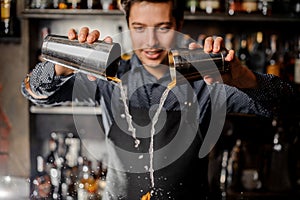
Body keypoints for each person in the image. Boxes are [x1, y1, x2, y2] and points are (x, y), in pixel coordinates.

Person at [21, 0, 293, 199]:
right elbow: (35, 92)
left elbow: (290, 105)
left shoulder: (208, 81)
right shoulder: (107, 76)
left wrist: (245, 79)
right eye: (139, 27)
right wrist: (60, 66)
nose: (150, 41)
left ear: (179, 25)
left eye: (163, 28)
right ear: (126, 23)